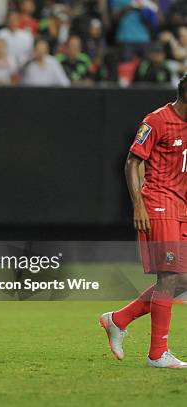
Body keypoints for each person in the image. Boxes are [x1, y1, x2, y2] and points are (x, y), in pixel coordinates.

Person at [99, 74, 187, 369]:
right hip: (158, 204)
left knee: (183, 279)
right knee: (169, 277)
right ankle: (157, 354)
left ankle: (118, 319)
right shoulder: (157, 120)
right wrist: (138, 205)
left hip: (181, 206)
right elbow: (132, 162)